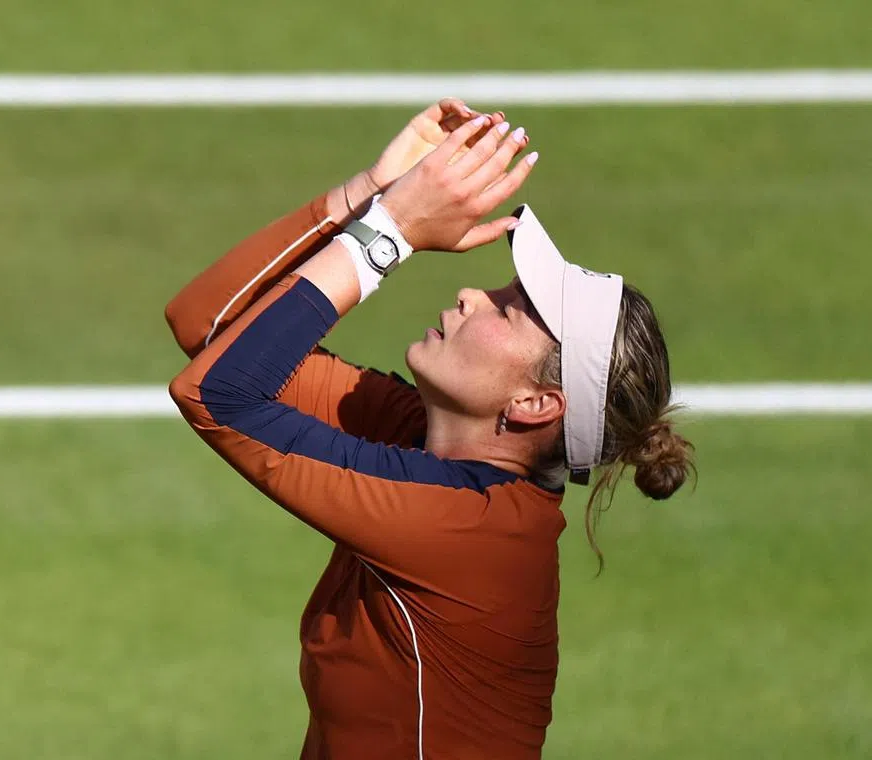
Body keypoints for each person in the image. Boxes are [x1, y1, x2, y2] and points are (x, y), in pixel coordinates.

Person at [165, 101, 694, 760]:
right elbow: (211, 330)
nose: (474, 294)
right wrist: (371, 196)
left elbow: (219, 396)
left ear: (536, 404)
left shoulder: (472, 533)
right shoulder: (415, 435)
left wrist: (392, 233)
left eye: (510, 309)